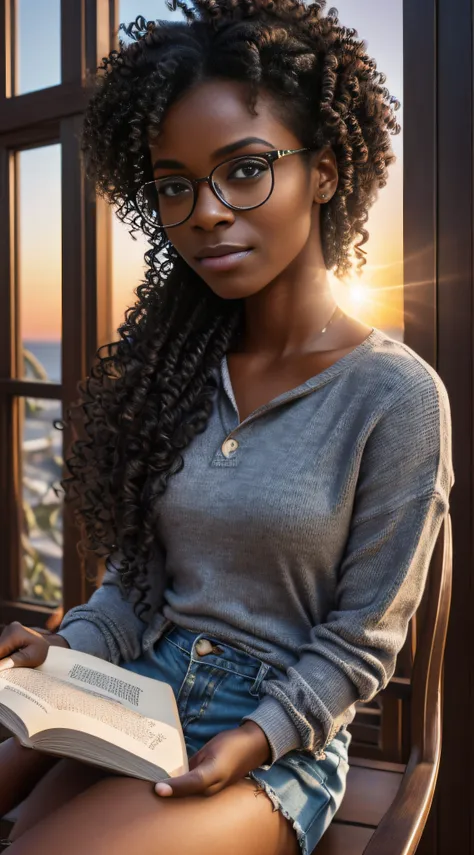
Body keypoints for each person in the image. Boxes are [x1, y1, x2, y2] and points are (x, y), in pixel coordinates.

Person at [0, 1, 454, 853]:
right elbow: (136, 591)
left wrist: (251, 738)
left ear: (322, 170)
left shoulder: (396, 398)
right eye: (175, 185)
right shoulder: (178, 375)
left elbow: (361, 643)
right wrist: (63, 654)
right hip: (136, 694)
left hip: (277, 737)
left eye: (244, 170)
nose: (205, 211)